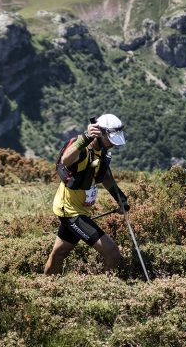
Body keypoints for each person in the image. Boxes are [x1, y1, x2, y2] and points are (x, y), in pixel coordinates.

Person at [44, 113, 130, 275]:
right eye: (110, 139)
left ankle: (45, 286)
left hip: (81, 211)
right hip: (70, 212)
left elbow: (104, 175)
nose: (113, 144)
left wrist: (121, 199)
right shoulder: (83, 149)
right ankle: (105, 294)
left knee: (59, 254)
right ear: (100, 133)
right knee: (112, 252)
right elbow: (66, 160)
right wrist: (85, 138)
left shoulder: (102, 151)